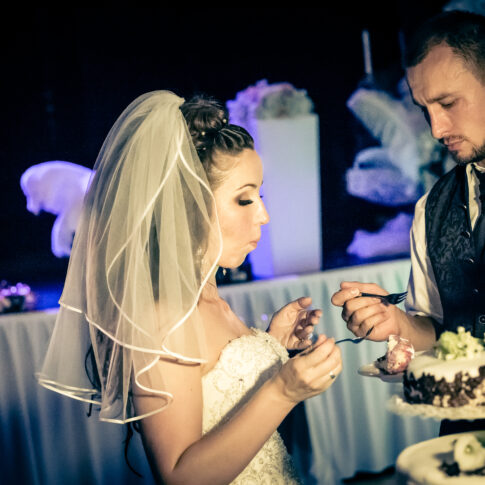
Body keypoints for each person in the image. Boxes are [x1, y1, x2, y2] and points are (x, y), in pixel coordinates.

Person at [37, 90, 342, 484]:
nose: (264, 215)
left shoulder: (209, 297)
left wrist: (274, 346)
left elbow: (226, 402)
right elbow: (180, 476)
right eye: (245, 200)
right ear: (188, 205)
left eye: (260, 195)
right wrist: (282, 390)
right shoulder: (164, 317)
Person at [331, 9, 485, 435]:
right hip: (462, 439)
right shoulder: (430, 208)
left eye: (447, 103)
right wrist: (396, 323)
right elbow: (437, 330)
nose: (436, 129)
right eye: (425, 109)